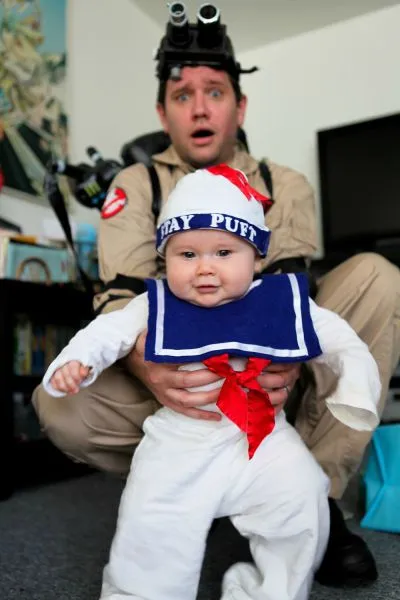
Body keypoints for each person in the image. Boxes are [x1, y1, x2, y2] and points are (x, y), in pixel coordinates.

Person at [32, 3, 400, 588]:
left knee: (379, 274)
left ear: (240, 104)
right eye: (182, 95)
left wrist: (283, 361)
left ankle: (314, 497)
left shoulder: (284, 182)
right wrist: (146, 364)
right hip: (177, 382)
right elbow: (124, 303)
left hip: (270, 372)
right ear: (162, 110)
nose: (200, 107)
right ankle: (188, 486)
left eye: (215, 91)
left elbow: (288, 293)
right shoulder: (136, 184)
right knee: (57, 402)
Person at [42, 165, 380, 600]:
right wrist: (76, 362)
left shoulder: (278, 301)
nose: (204, 268)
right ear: (166, 259)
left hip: (262, 439)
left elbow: (341, 342)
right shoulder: (156, 304)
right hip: (180, 443)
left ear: (256, 257)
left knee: (302, 500)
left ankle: (271, 591)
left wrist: (354, 386)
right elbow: (105, 334)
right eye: (187, 255)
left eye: (224, 253)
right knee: (152, 528)